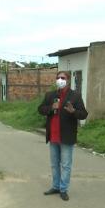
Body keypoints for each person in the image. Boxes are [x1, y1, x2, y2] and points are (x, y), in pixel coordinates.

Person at [38, 71, 88, 201]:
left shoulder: (75, 96)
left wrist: (73, 111)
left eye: (63, 78)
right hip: (53, 136)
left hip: (66, 136)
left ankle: (63, 189)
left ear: (68, 80)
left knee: (65, 165)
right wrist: (51, 107)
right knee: (54, 164)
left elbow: (84, 114)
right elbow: (40, 109)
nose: (60, 80)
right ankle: (55, 186)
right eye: (58, 78)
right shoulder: (50, 95)